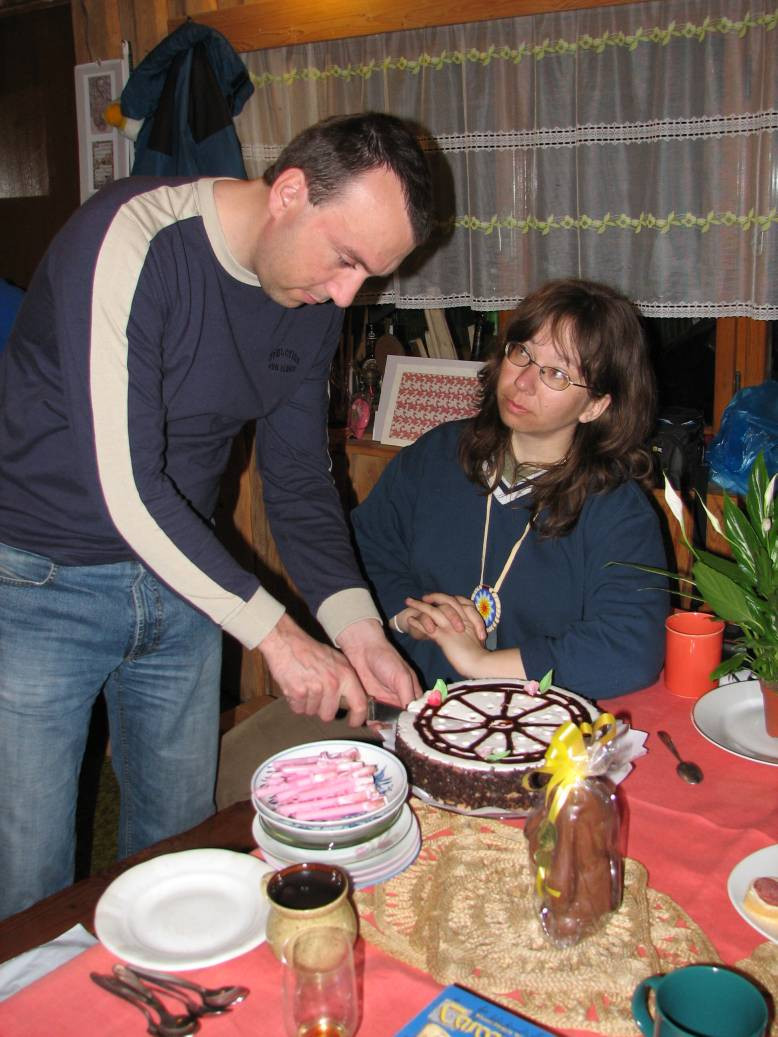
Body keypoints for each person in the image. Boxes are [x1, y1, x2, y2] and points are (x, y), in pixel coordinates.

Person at [0, 111, 432, 920]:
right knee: (29, 881)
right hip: (40, 584)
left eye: (369, 276)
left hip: (186, 580)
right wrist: (277, 635)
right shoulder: (129, 241)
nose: (346, 294)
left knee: (180, 852)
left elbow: (298, 477)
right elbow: (125, 487)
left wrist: (358, 630)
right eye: (346, 259)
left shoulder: (311, 291)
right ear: (290, 192)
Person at [352, 278, 668, 700]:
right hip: (412, 701)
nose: (523, 382)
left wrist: (481, 665)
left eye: (557, 374)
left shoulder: (617, 510)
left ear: (595, 405)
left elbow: (631, 648)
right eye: (522, 353)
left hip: (539, 721)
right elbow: (364, 547)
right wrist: (406, 614)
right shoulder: (438, 453)